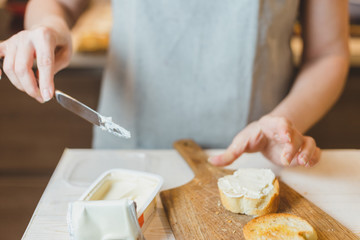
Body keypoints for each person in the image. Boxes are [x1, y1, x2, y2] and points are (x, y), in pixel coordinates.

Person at [0, 0, 349, 168]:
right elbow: (57, 3)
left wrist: (285, 122)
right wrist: (50, 28)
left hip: (260, 157)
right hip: (129, 154)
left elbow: (328, 52)